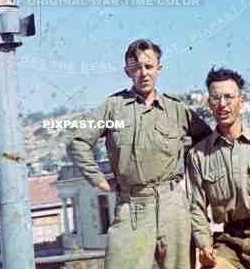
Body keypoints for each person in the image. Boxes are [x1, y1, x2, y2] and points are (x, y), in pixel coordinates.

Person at [67, 38, 212, 269]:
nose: (143, 73)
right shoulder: (112, 107)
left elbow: (207, 142)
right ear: (127, 72)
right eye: (136, 68)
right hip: (132, 206)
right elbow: (77, 142)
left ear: (159, 69)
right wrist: (99, 180)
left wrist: (194, 179)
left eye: (149, 66)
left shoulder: (177, 110)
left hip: (174, 206)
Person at [187, 67, 250, 269]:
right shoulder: (198, 155)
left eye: (229, 97)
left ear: (241, 101)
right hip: (230, 242)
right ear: (209, 104)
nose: (222, 104)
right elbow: (196, 208)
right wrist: (205, 246)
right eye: (216, 98)